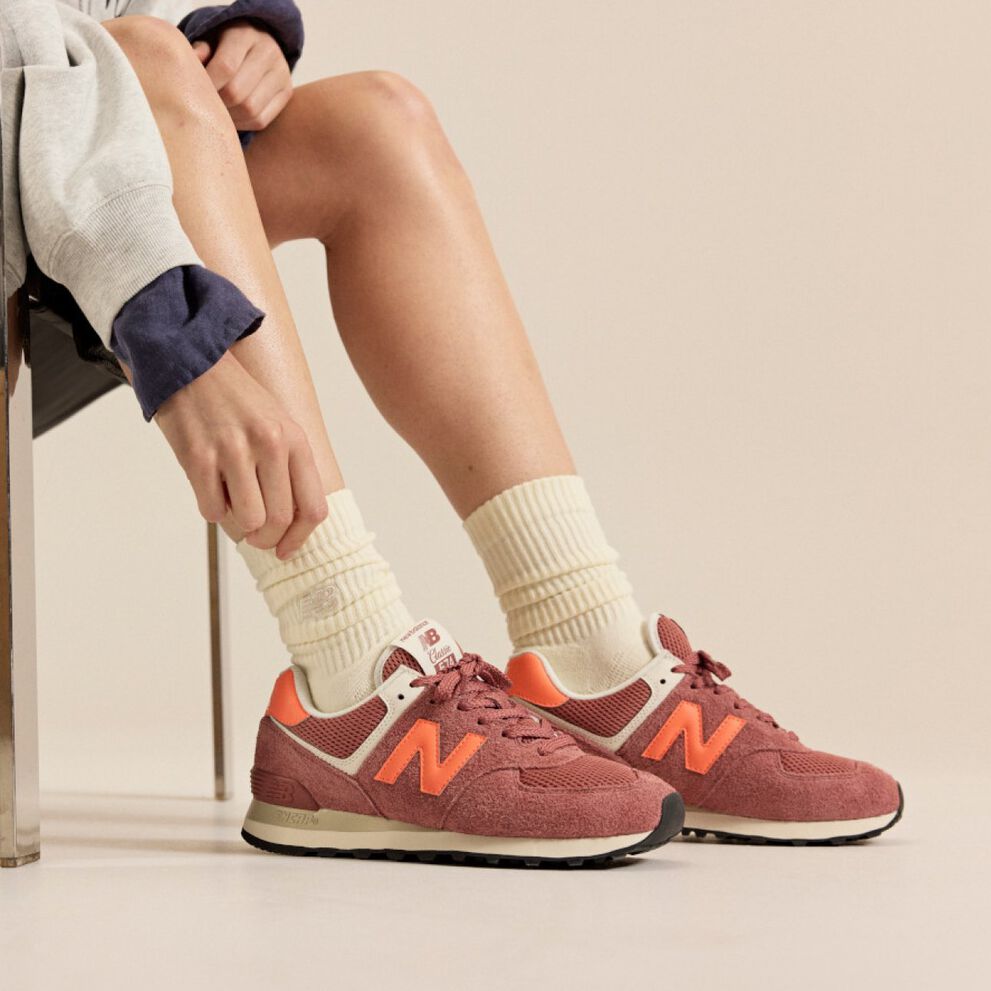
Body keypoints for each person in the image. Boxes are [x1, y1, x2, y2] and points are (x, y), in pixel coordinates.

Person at [15, 0, 903, 863]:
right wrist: (176, 334)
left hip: (74, 172)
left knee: (376, 120)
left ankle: (590, 652)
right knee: (142, 60)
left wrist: (231, 39)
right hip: (45, 205)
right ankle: (349, 667)